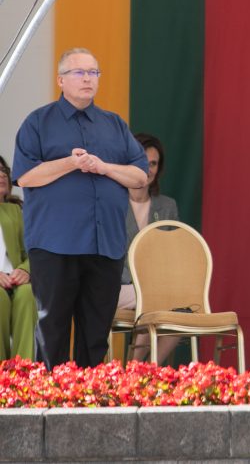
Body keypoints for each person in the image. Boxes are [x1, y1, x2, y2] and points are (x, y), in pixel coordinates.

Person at [12, 48, 148, 368]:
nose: (88, 78)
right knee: (53, 331)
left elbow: (140, 176)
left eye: (94, 73)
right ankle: (53, 408)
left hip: (105, 245)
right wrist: (70, 163)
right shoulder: (38, 122)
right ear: (61, 80)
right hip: (55, 243)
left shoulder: (114, 124)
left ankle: (91, 408)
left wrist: (104, 168)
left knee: (95, 334)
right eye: (79, 72)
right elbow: (26, 176)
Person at [116, 133, 180, 364]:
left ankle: (145, 371)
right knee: (153, 299)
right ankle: (135, 369)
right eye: (142, 161)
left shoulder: (167, 206)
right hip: (117, 287)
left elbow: (171, 256)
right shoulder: (113, 203)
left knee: (182, 311)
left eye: (153, 163)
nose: (148, 168)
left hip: (153, 290)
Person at [0, 199, 37, 360]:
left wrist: (26, 269)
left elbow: (32, 250)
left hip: (15, 278)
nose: (1, 175)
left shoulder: (15, 211)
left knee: (28, 293)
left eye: (5, 172)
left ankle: (23, 371)